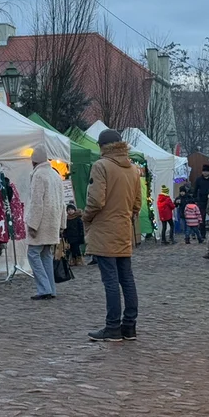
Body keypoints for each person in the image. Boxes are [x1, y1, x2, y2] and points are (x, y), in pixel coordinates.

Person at [83, 129, 142, 343]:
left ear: (102, 147)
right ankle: (130, 326)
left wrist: (86, 217)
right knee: (127, 278)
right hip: (124, 229)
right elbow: (137, 203)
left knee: (110, 280)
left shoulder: (101, 166)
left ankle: (112, 327)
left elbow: (96, 200)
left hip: (105, 229)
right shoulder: (133, 169)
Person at [25, 145, 67, 300]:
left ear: (34, 161)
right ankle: (51, 288)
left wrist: (32, 224)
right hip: (53, 221)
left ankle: (44, 288)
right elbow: (62, 202)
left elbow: (37, 202)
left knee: (33, 254)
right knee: (46, 255)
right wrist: (62, 224)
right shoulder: (55, 175)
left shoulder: (38, 176)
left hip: (41, 222)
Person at [193, 165, 209, 240]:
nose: (205, 173)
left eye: (206, 171)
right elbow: (195, 190)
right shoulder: (199, 180)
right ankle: (202, 234)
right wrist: (195, 199)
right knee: (201, 217)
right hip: (201, 201)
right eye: (204, 171)